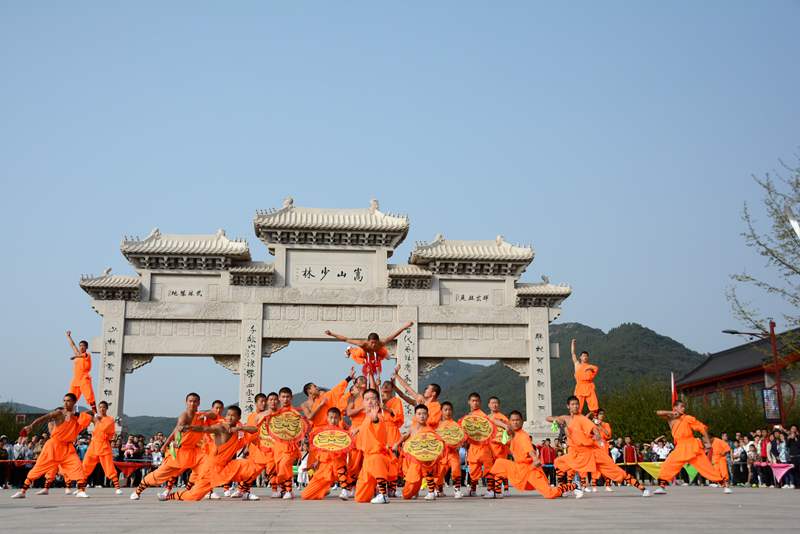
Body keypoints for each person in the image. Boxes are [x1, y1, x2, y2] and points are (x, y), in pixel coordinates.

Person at [548, 395, 650, 499]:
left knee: (616, 471)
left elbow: (593, 428)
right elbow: (548, 418)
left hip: (591, 452)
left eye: (577, 404)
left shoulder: (582, 419)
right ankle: (564, 488)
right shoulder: (565, 418)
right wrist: (556, 420)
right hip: (576, 453)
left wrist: (597, 434)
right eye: (573, 404)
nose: (575, 406)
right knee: (558, 463)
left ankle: (642, 488)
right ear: (568, 406)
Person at [163, 405, 260, 501]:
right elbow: (204, 429)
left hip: (226, 466)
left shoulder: (238, 429)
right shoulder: (221, 428)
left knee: (251, 467)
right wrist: (188, 427)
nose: (229, 417)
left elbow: (255, 429)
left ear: (238, 418)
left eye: (233, 415)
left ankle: (244, 492)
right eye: (228, 415)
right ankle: (171, 496)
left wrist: (239, 429)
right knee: (194, 496)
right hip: (211, 468)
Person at [130, 392, 211, 500]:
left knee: (206, 467)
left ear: (199, 403)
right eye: (190, 401)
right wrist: (166, 444)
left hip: (194, 451)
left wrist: (206, 415)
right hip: (180, 451)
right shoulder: (184, 415)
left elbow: (213, 414)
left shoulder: (201, 416)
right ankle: (138, 491)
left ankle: (188, 491)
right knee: (160, 474)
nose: (193, 403)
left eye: (195, 401)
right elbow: (177, 429)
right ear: (186, 402)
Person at [12, 393, 93, 499]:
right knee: (38, 468)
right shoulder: (59, 413)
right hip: (53, 446)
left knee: (77, 467)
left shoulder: (77, 416)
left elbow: (90, 416)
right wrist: (31, 425)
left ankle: (81, 490)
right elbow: (44, 418)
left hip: (68, 448)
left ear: (74, 402)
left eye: (68, 400)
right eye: (64, 400)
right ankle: (23, 491)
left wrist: (76, 414)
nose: (65, 402)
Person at [488, 411, 577, 499]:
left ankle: (572, 486)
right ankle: (498, 492)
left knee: (549, 494)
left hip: (530, 468)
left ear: (522, 422)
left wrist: (535, 459)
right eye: (513, 420)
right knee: (500, 464)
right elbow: (492, 419)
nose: (515, 422)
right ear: (510, 422)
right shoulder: (512, 432)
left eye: (518, 420)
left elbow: (530, 450)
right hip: (518, 467)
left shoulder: (524, 436)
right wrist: (505, 426)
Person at [653, 400, 729, 494]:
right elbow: (658, 413)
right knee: (668, 464)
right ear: (675, 407)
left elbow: (702, 428)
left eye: (684, 407)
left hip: (692, 445)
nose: (683, 409)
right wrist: (672, 412)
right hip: (680, 446)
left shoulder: (688, 418)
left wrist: (708, 443)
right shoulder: (670, 418)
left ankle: (724, 485)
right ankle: (662, 487)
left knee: (706, 467)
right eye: (681, 406)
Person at [324, 322, 414, 388]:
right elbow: (346, 339)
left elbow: (393, 336)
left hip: (377, 353)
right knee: (359, 356)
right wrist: (332, 334)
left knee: (387, 357)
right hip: (363, 353)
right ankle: (349, 350)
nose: (373, 345)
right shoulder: (363, 344)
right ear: (368, 341)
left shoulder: (381, 343)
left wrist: (404, 327)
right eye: (371, 343)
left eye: (375, 342)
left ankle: (382, 356)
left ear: (378, 341)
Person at [301, 407, 354, 500]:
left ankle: (345, 489)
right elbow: (319, 450)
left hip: (338, 464)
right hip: (324, 466)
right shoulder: (322, 433)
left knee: (339, 464)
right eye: (331, 417)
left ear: (340, 419)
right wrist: (316, 462)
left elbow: (349, 446)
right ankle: (324, 489)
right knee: (306, 495)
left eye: (336, 418)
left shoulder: (344, 434)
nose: (333, 420)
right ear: (327, 418)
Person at [353, 388, 391, 504]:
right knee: (360, 497)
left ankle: (383, 494)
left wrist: (374, 418)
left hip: (377, 454)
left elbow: (376, 424)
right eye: (366, 399)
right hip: (367, 458)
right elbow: (367, 427)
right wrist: (357, 429)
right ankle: (375, 493)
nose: (369, 401)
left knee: (378, 470)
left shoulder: (378, 417)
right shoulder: (366, 418)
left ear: (378, 403)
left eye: (373, 398)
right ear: (363, 402)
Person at [394, 404, 439, 501]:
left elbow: (436, 443)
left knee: (428, 472)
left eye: (424, 414)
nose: (422, 416)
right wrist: (397, 444)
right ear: (415, 416)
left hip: (426, 456)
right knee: (409, 486)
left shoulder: (430, 430)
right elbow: (405, 436)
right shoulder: (413, 427)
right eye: (419, 414)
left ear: (427, 415)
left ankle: (431, 492)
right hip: (413, 456)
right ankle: (414, 492)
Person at [81, 401, 122, 494]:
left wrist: (98, 419)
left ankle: (117, 487)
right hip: (93, 445)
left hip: (104, 445)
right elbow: (84, 416)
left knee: (109, 466)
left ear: (107, 408)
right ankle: (81, 488)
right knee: (86, 465)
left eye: (104, 407)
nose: (102, 409)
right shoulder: (95, 418)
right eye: (100, 407)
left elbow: (105, 428)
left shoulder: (110, 419)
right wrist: (92, 412)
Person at [271, 387, 305, 499]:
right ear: (279, 398)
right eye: (283, 397)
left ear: (291, 398)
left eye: (287, 397)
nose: (285, 399)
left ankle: (289, 491)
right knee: (280, 467)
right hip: (277, 446)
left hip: (290, 446)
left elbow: (301, 428)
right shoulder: (275, 413)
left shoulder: (294, 413)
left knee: (285, 465)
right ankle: (284, 490)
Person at [464, 392, 495, 497]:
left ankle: (490, 490)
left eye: (477, 401)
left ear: (480, 403)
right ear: (469, 402)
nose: (475, 403)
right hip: (473, 447)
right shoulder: (468, 416)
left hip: (484, 446)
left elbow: (491, 425)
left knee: (488, 469)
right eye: (473, 401)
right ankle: (473, 490)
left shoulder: (483, 416)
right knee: (473, 470)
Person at [435, 401, 464, 498]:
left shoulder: (456, 425)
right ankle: (439, 489)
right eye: (445, 410)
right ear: (441, 411)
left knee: (456, 469)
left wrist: (459, 444)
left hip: (453, 453)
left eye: (450, 410)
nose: (448, 412)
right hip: (441, 454)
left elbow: (461, 437)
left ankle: (457, 490)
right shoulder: (437, 425)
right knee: (439, 474)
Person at [65, 330, 97, 413]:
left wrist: (75, 356)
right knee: (70, 397)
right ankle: (68, 413)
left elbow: (83, 355)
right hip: (76, 379)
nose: (81, 347)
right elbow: (72, 345)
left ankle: (95, 413)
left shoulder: (87, 355)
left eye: (83, 346)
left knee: (89, 396)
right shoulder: (77, 354)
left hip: (84, 379)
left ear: (86, 347)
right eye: (80, 346)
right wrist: (69, 336)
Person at [487, 396, 510, 495]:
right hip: (489, 447)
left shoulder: (503, 417)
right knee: (489, 469)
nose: (494, 405)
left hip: (500, 447)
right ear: (489, 405)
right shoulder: (486, 417)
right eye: (492, 403)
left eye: (496, 403)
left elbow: (509, 430)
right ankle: (490, 490)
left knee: (500, 468)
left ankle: (498, 490)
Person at [571, 339, 598, 414]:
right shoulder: (577, 365)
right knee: (576, 406)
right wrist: (572, 344)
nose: (585, 357)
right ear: (580, 357)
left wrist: (590, 368)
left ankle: (595, 419)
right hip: (580, 387)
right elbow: (573, 354)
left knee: (594, 406)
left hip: (589, 387)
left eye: (586, 356)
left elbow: (595, 370)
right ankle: (576, 419)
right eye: (583, 356)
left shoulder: (591, 366)